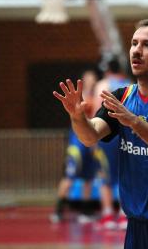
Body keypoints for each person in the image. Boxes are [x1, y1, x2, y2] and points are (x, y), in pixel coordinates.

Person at [53, 19, 148, 248]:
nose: (137, 50)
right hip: (136, 226)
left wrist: (134, 121)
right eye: (134, 43)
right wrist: (77, 117)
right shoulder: (121, 97)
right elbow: (90, 136)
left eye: (147, 45)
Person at [50, 69, 100, 223]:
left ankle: (85, 211)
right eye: (88, 78)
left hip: (90, 144)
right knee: (69, 176)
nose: (91, 81)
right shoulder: (78, 97)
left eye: (93, 79)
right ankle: (58, 210)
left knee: (88, 178)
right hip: (77, 145)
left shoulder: (97, 97)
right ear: (83, 80)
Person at [92, 57, 131, 230]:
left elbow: (95, 111)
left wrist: (93, 138)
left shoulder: (102, 85)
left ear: (107, 70)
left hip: (107, 134)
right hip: (126, 135)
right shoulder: (130, 85)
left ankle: (108, 214)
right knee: (125, 174)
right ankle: (124, 215)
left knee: (105, 175)